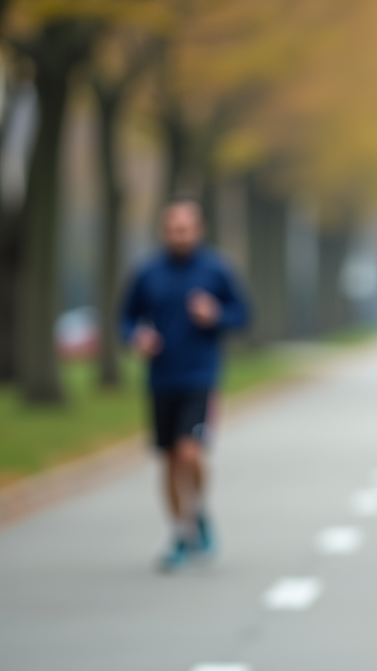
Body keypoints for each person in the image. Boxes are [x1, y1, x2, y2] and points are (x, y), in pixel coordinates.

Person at [121, 198, 249, 571]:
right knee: (168, 460)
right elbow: (127, 318)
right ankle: (180, 532)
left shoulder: (216, 270)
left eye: (185, 228)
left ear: (199, 229)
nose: (179, 235)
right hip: (161, 378)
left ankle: (200, 511)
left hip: (200, 377)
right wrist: (137, 337)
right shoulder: (148, 273)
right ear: (164, 231)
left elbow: (243, 313)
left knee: (189, 452)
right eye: (173, 229)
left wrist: (217, 314)